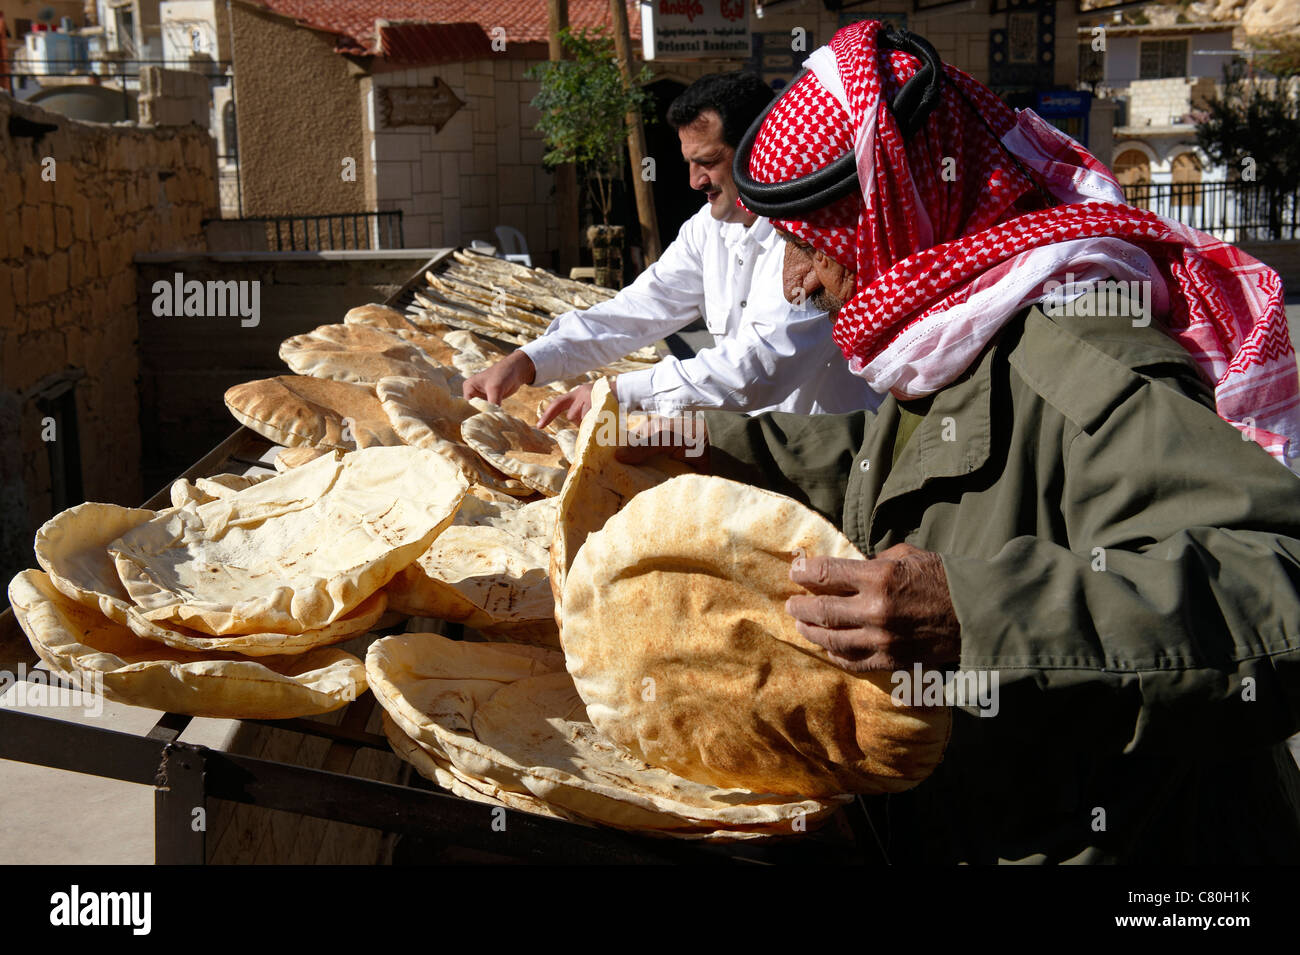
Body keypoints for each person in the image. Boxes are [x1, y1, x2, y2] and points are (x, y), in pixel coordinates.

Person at [637, 20, 1300, 863]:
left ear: (890, 209)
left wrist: (976, 616)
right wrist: (695, 445)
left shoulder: (1082, 349)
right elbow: (900, 461)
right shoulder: (959, 334)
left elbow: (1276, 583)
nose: (796, 280)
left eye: (811, 244)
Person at [462, 71, 878, 426]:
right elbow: (639, 309)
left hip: (834, 458)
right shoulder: (709, 230)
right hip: (766, 451)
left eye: (709, 161)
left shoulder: (816, 237)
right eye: (689, 163)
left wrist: (619, 390)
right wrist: (529, 360)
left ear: (760, 146)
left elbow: (756, 369)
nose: (696, 180)